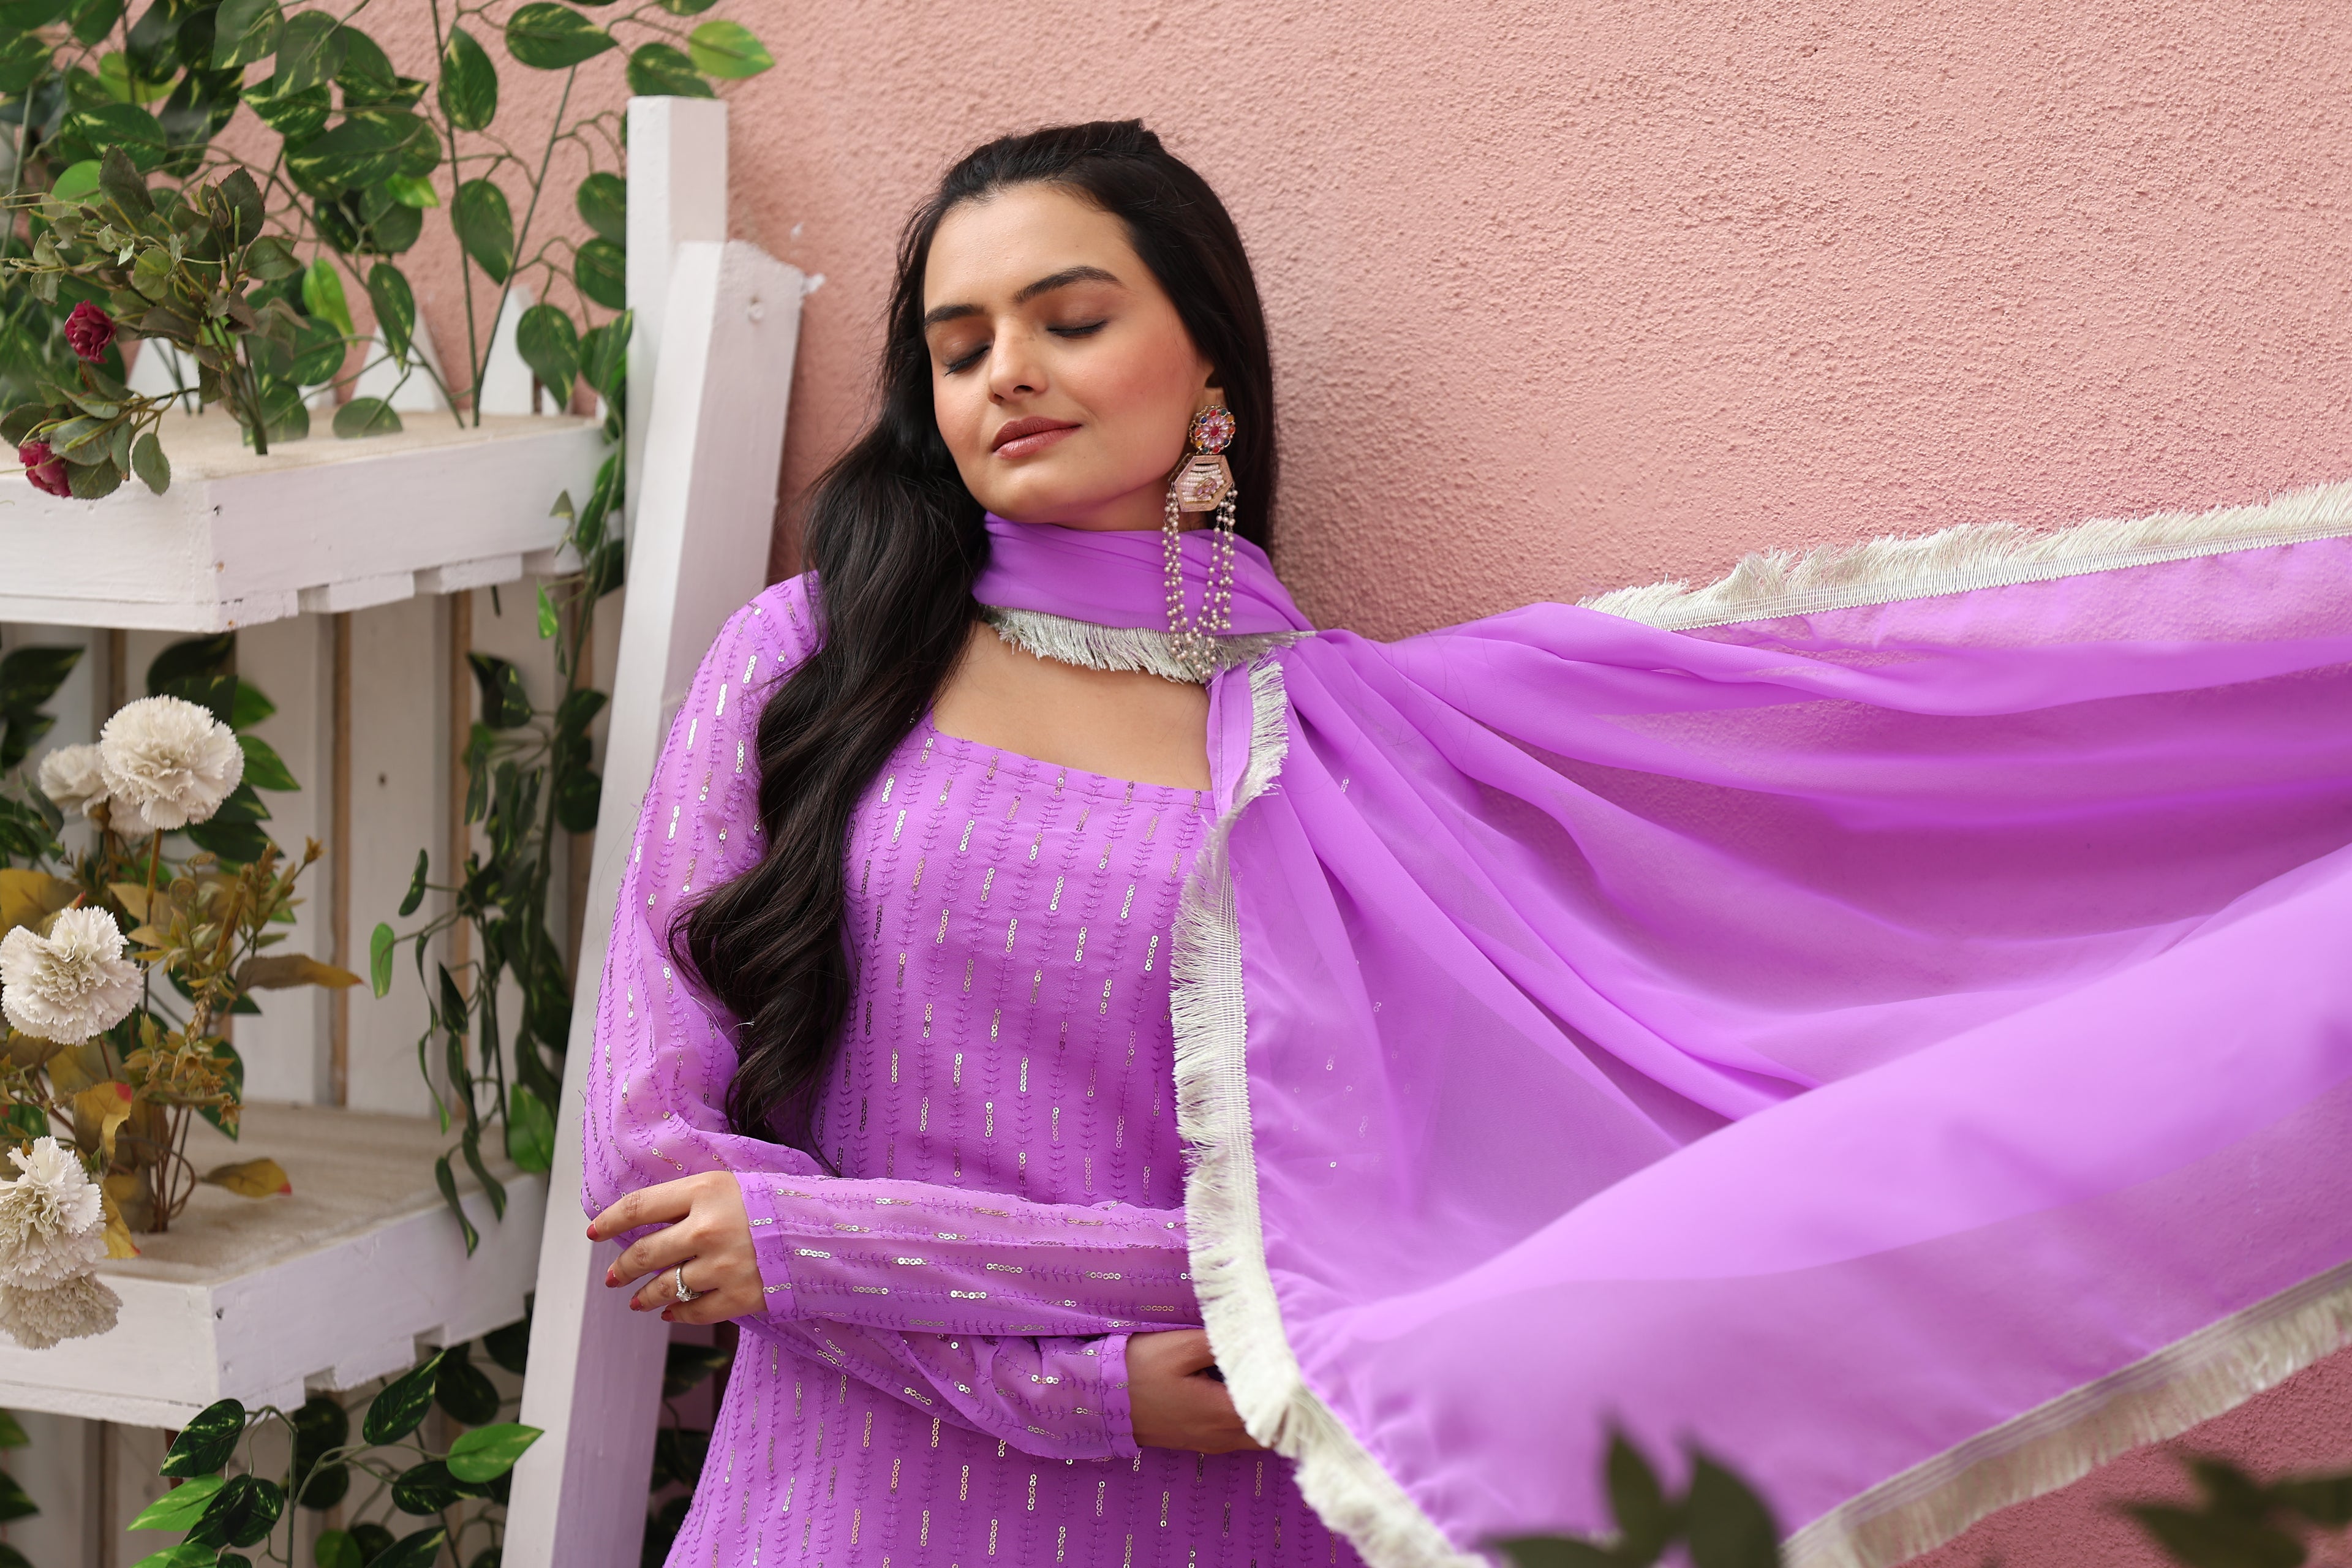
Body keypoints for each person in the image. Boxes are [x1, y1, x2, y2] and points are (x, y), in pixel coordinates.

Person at [582, 120, 2352, 1567]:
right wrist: (1077, 1385)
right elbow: (664, 1186)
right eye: (958, 346)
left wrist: (826, 1244)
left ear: (1209, 365)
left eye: (1069, 319)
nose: (1006, 377)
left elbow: (1375, 1239)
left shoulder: (1346, 754)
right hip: (846, 1499)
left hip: (1245, 1498)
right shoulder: (816, 661)